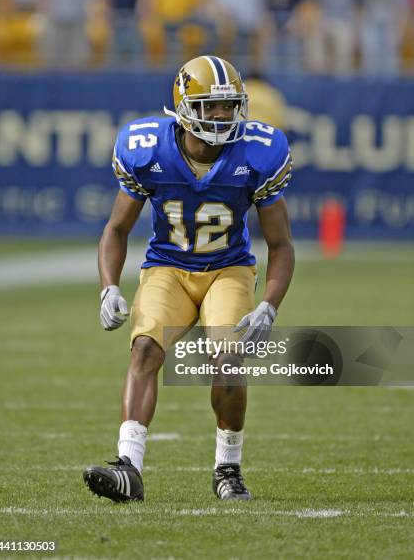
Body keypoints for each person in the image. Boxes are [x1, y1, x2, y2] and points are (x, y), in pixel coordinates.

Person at [83, 55, 294, 502]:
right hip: (167, 267)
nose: (221, 115)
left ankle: (228, 468)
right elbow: (115, 229)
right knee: (144, 348)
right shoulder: (148, 148)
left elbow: (281, 245)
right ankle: (129, 468)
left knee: (228, 362)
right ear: (183, 107)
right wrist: (108, 287)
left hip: (228, 269)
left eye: (228, 105)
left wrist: (268, 305)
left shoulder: (259, 152)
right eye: (209, 106)